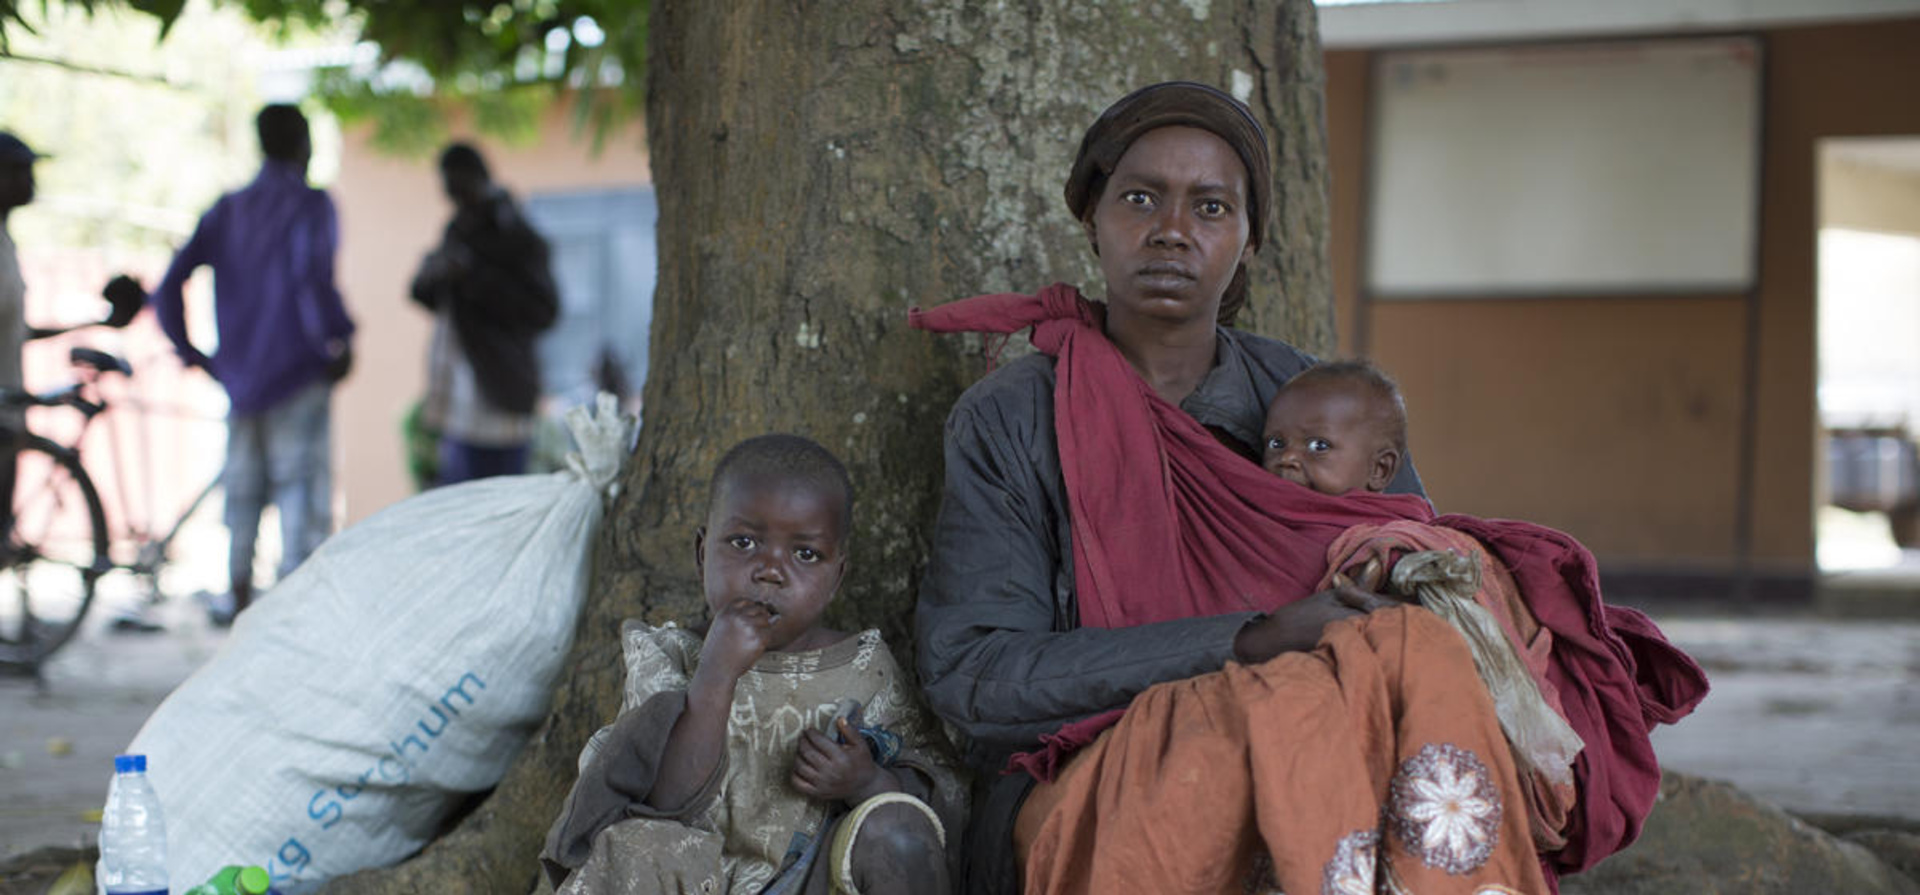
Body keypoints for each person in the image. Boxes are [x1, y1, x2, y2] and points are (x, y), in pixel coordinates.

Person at [909, 82, 1707, 894]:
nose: (1172, 231)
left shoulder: (1303, 394)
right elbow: (972, 673)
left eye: (1212, 208)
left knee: (1405, 653)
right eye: (1141, 198)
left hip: (1332, 746)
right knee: (1288, 701)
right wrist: (1250, 639)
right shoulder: (1016, 415)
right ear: (1093, 219)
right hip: (1094, 774)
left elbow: (1415, 574)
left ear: (1249, 240)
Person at [541, 434, 964, 895]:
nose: (770, 570)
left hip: (808, 878)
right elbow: (664, 801)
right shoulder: (667, 657)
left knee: (896, 826)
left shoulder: (864, 668)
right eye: (743, 543)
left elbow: (938, 791)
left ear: (837, 575)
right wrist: (716, 673)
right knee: (632, 843)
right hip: (685, 878)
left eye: (805, 554)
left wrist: (866, 780)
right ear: (703, 554)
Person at [146, 104, 355, 622]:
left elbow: (168, 286)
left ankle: (238, 607)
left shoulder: (229, 209)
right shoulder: (310, 206)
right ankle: (298, 618)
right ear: (299, 142)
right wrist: (339, 340)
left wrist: (198, 356)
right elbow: (314, 280)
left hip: (242, 380)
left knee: (242, 495)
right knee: (300, 497)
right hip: (299, 375)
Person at [0, 132, 143, 548]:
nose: (30, 182)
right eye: (18, 172)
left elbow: (18, 331)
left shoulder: (7, 244)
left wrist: (97, 322)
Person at [409, 142, 559, 485]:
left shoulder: (518, 236)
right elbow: (427, 297)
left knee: (497, 502)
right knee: (459, 503)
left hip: (499, 393)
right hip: (458, 397)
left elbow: (543, 310)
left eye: (457, 183)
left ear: (477, 177)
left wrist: (473, 275)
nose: (451, 193)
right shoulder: (458, 228)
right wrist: (435, 273)